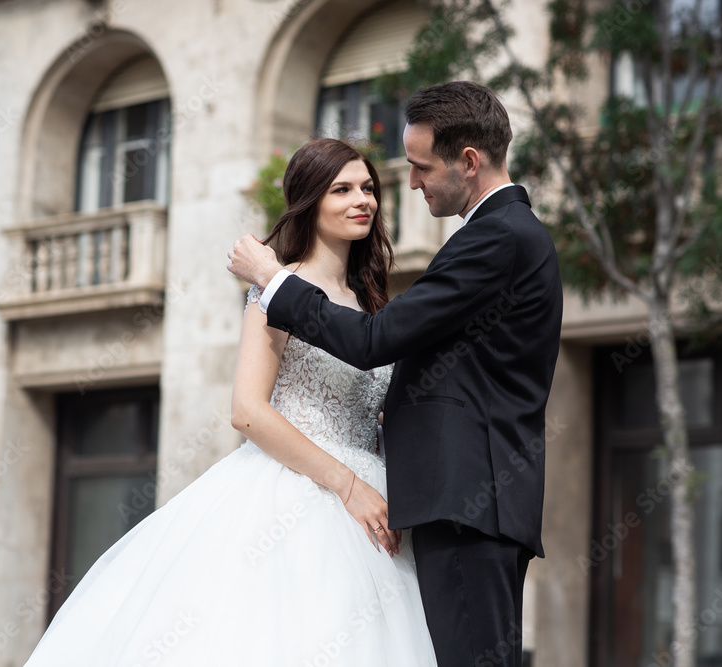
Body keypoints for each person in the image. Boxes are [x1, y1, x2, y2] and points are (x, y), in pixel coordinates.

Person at [21, 138, 437, 666]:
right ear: (310, 200)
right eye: (343, 189)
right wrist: (347, 485)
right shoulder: (274, 292)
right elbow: (247, 411)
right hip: (299, 493)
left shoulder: (372, 302)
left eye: (368, 188)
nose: (364, 200)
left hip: (377, 500)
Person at [227, 81, 563, 667]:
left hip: (463, 503)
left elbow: (374, 342)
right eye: (344, 188)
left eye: (418, 166)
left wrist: (271, 277)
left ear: (469, 161)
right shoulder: (499, 234)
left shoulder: (498, 237)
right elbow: (248, 409)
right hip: (429, 502)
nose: (407, 184)